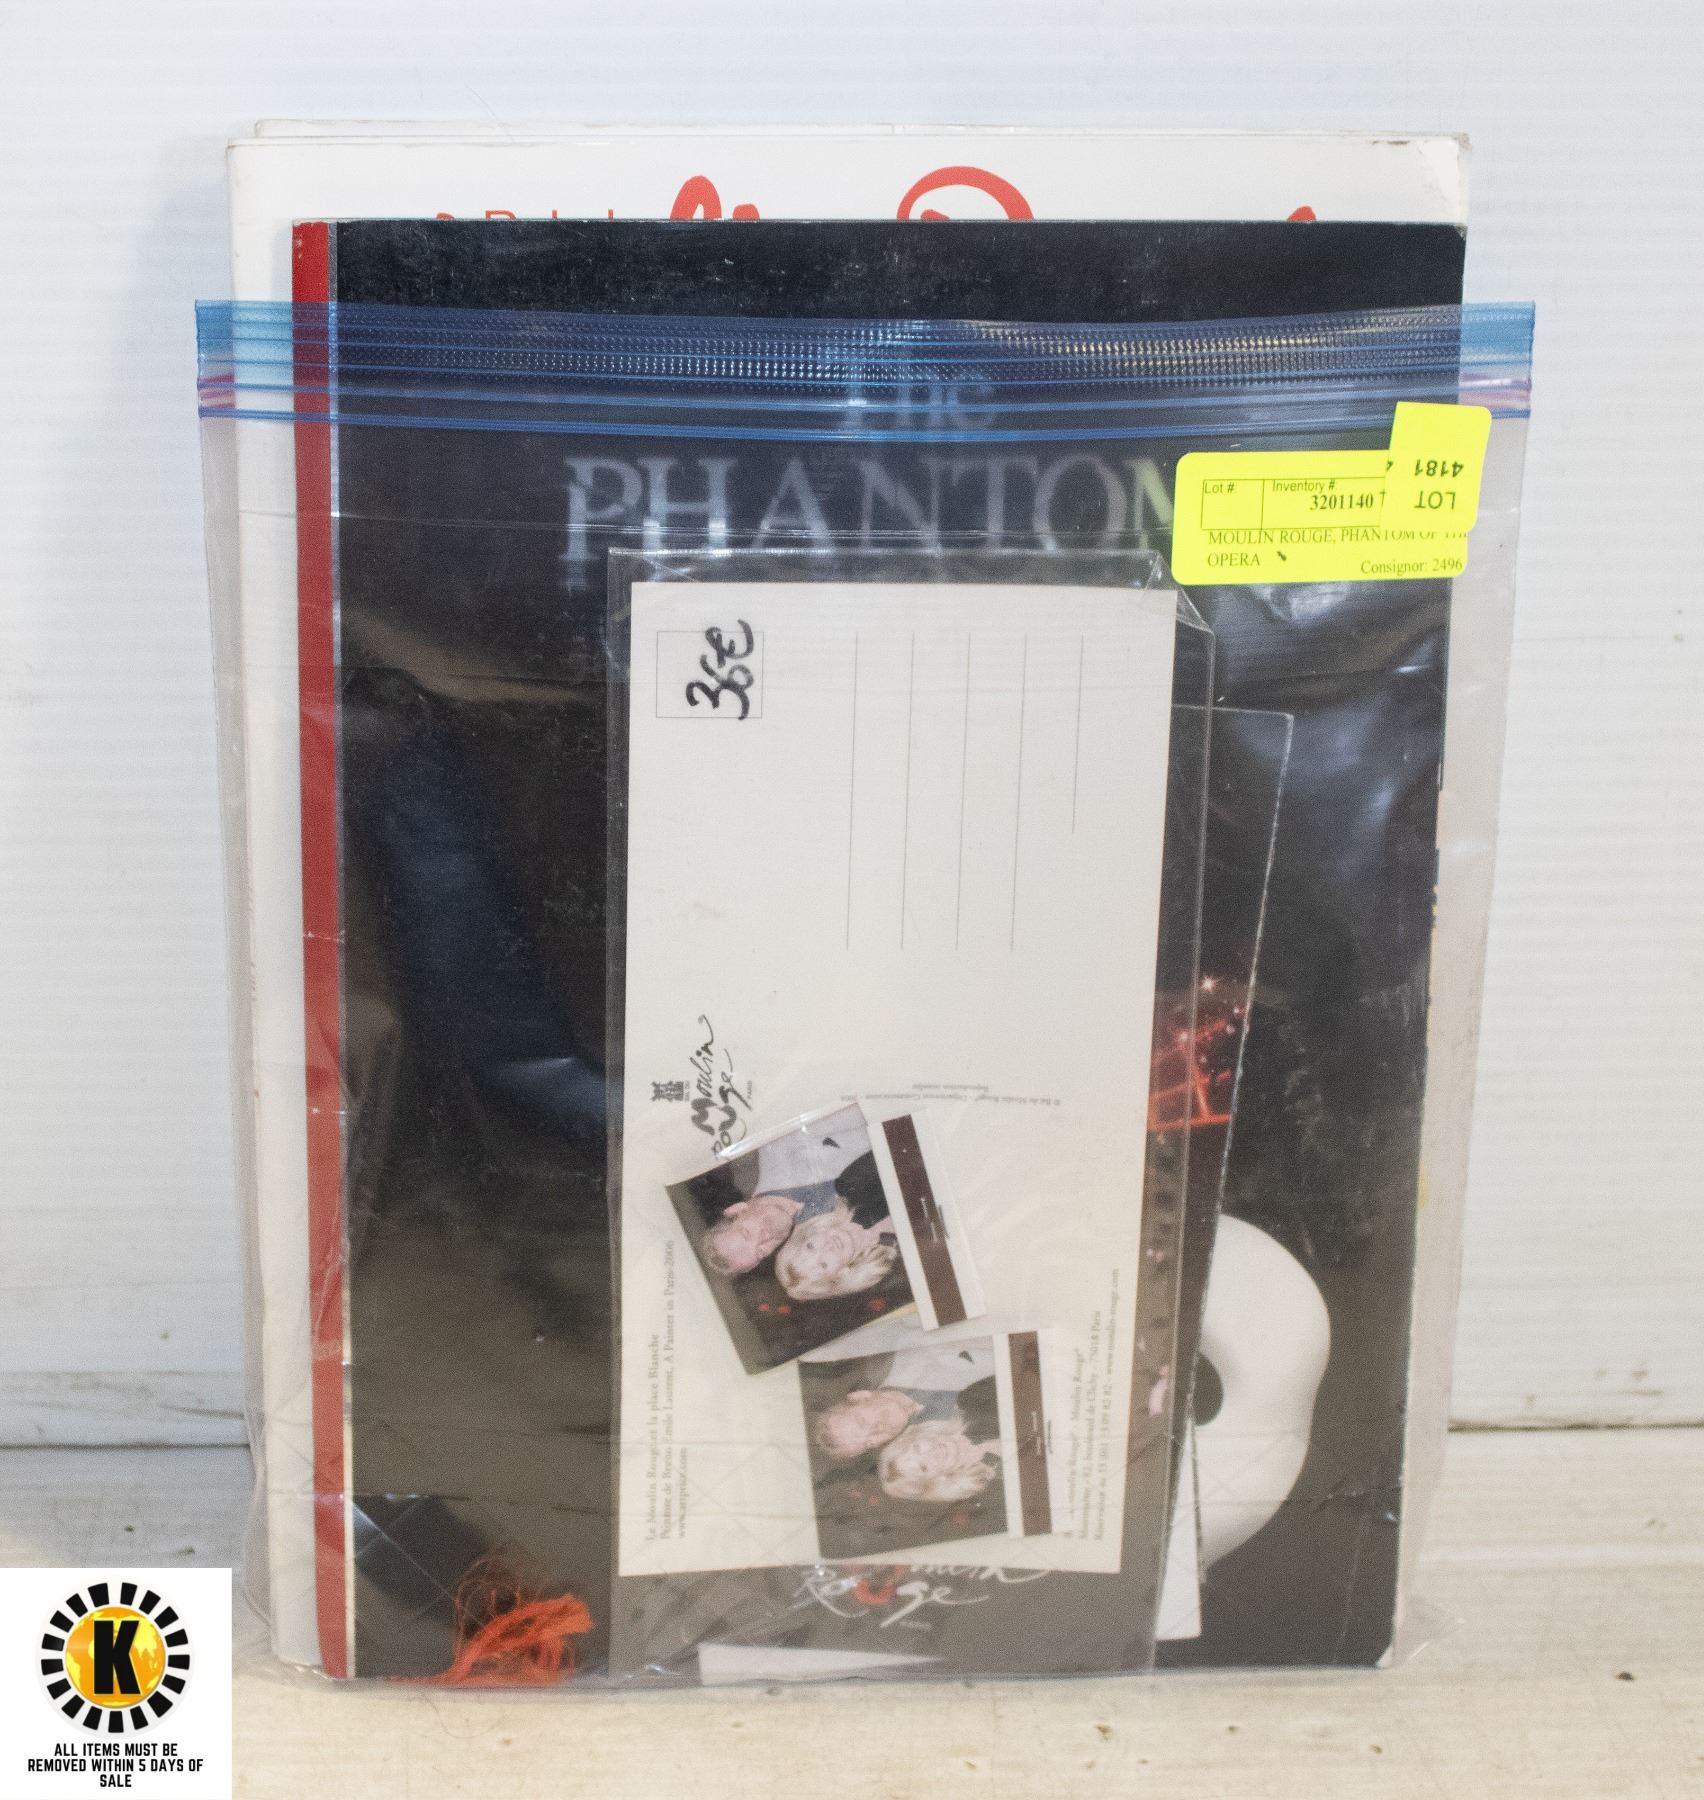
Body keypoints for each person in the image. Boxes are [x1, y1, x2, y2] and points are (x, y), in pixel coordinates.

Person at [812, 1343, 994, 1460]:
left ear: (860, 1396)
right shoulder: (938, 1436)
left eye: (862, 1422)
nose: (876, 1431)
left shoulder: (896, 1353)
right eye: (869, 1443)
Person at [775, 1195, 898, 1300]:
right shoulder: (897, 1256)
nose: (827, 1247)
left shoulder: (853, 1188)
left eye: (810, 1247)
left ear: (810, 1233)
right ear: (840, 1274)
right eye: (823, 1264)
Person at [877, 1414, 1001, 1506]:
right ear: (937, 1480)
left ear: (919, 1434)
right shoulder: (994, 1492)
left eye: (917, 1448)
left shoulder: (974, 1402)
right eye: (923, 1468)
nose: (931, 1455)